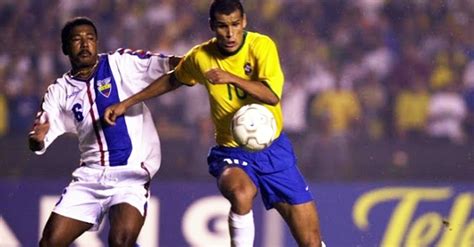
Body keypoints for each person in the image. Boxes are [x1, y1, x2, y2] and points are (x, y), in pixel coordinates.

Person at [104, 0, 324, 246]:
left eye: (234, 25)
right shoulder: (201, 56)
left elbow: (271, 95)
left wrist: (231, 78)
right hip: (231, 150)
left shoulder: (261, 46)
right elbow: (172, 80)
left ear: (244, 22)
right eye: (222, 26)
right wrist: (126, 103)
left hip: (274, 151)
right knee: (241, 194)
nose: (229, 33)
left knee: (311, 241)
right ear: (212, 26)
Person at [28, 17, 180, 246]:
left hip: (131, 174)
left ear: (97, 42)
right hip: (89, 177)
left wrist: (198, 61)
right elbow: (38, 140)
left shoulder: (120, 63)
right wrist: (37, 139)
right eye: (77, 40)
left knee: (120, 241)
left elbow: (170, 65)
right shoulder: (58, 91)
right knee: (49, 243)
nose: (85, 44)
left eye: (90, 38)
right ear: (65, 48)